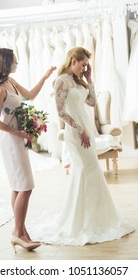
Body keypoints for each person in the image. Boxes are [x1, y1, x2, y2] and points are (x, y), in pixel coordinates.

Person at [28, 47, 134, 246]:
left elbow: (93, 103)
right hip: (76, 133)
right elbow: (60, 112)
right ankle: (80, 220)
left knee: (91, 170)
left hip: (86, 130)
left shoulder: (78, 80)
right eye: (83, 64)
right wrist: (79, 129)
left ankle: (96, 217)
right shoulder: (61, 81)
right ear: (72, 60)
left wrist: (90, 79)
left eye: (86, 64)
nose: (85, 67)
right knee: (86, 169)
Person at [0, 48, 56, 252]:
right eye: (15, 60)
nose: (18, 63)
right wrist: (20, 134)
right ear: (6, 63)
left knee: (18, 187)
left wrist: (44, 77)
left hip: (17, 139)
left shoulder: (12, 82)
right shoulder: (0, 89)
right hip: (10, 141)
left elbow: (30, 97)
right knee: (26, 186)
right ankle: (18, 233)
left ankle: (22, 233)